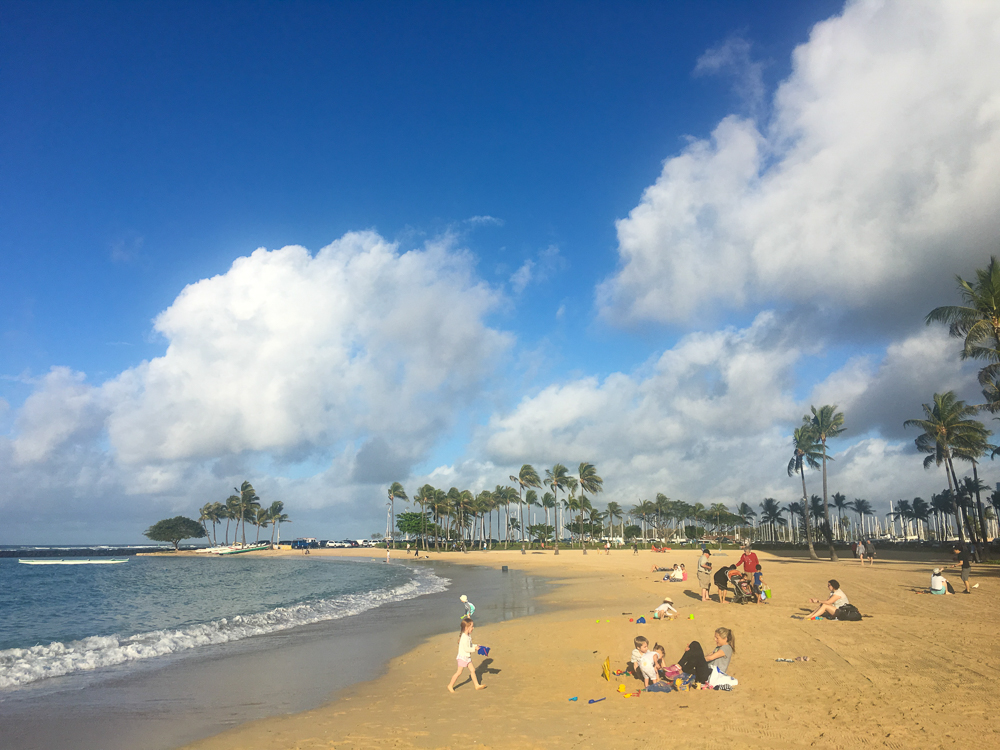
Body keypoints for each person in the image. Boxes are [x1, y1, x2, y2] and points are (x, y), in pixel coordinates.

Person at [447, 618, 486, 692]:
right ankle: (450, 685)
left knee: (473, 670)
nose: (473, 628)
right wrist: (475, 649)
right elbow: (466, 649)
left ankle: (476, 685)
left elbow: (470, 645)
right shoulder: (464, 638)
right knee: (459, 672)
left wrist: (476, 646)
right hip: (463, 657)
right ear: (466, 628)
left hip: (467, 657)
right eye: (471, 627)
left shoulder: (468, 636)